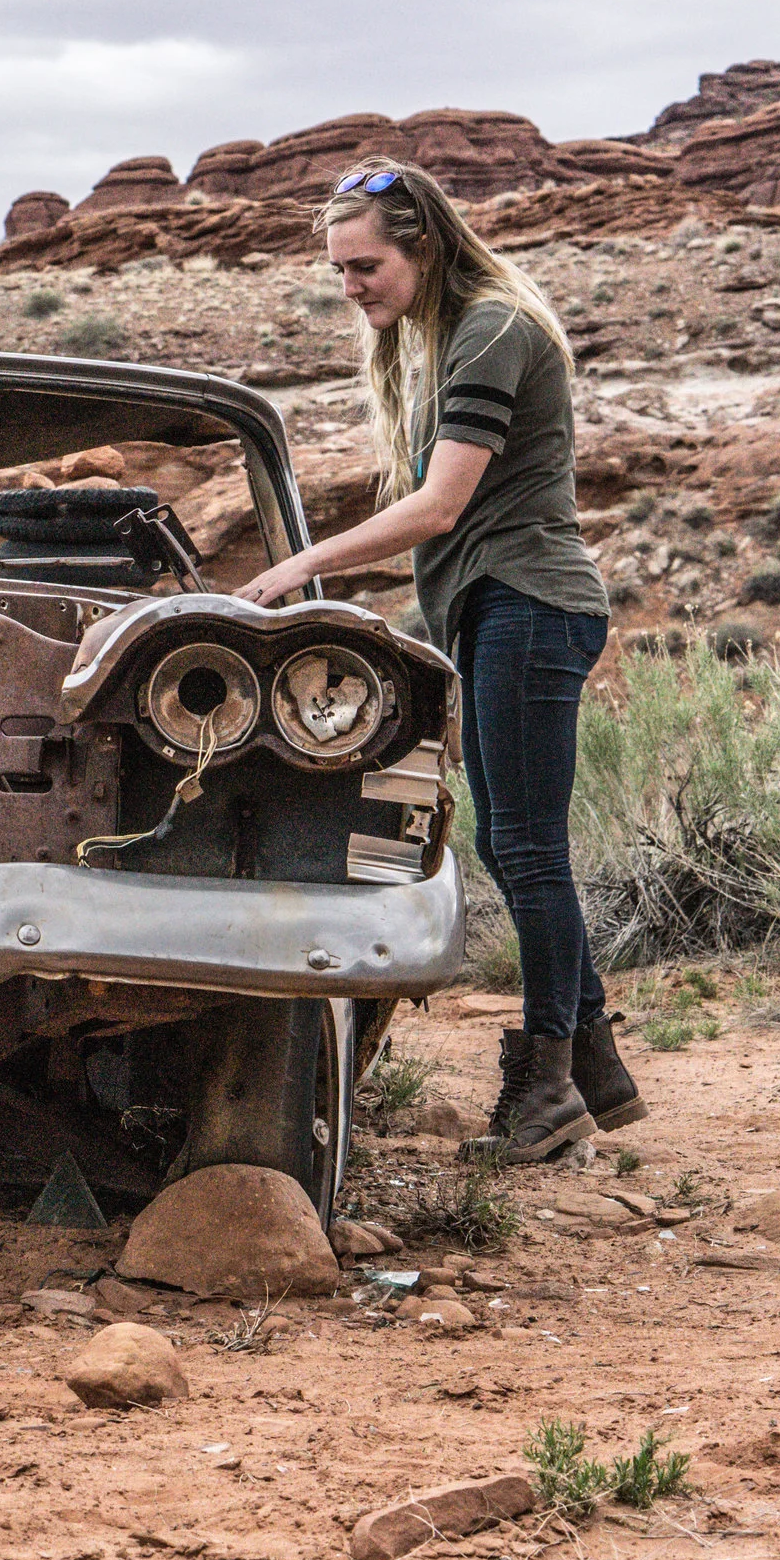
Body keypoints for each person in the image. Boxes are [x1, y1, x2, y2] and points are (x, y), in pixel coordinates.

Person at [231, 158, 639, 1163]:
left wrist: (298, 570)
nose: (351, 287)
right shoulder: (453, 334)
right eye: (338, 270)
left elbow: (442, 504)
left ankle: (545, 1086)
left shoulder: (493, 326)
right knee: (508, 843)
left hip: (531, 605)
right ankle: (590, 1063)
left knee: (529, 849)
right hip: (498, 610)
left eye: (364, 265)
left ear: (421, 246)